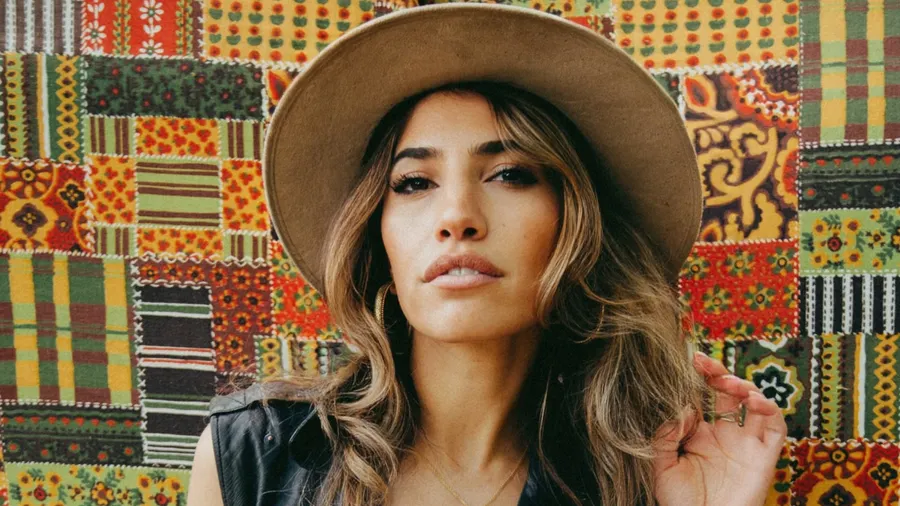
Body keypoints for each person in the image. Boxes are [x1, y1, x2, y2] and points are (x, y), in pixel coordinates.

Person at [188, 4, 787, 506]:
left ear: (575, 225)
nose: (457, 217)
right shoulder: (254, 454)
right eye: (414, 183)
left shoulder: (648, 476)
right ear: (377, 239)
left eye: (509, 174)